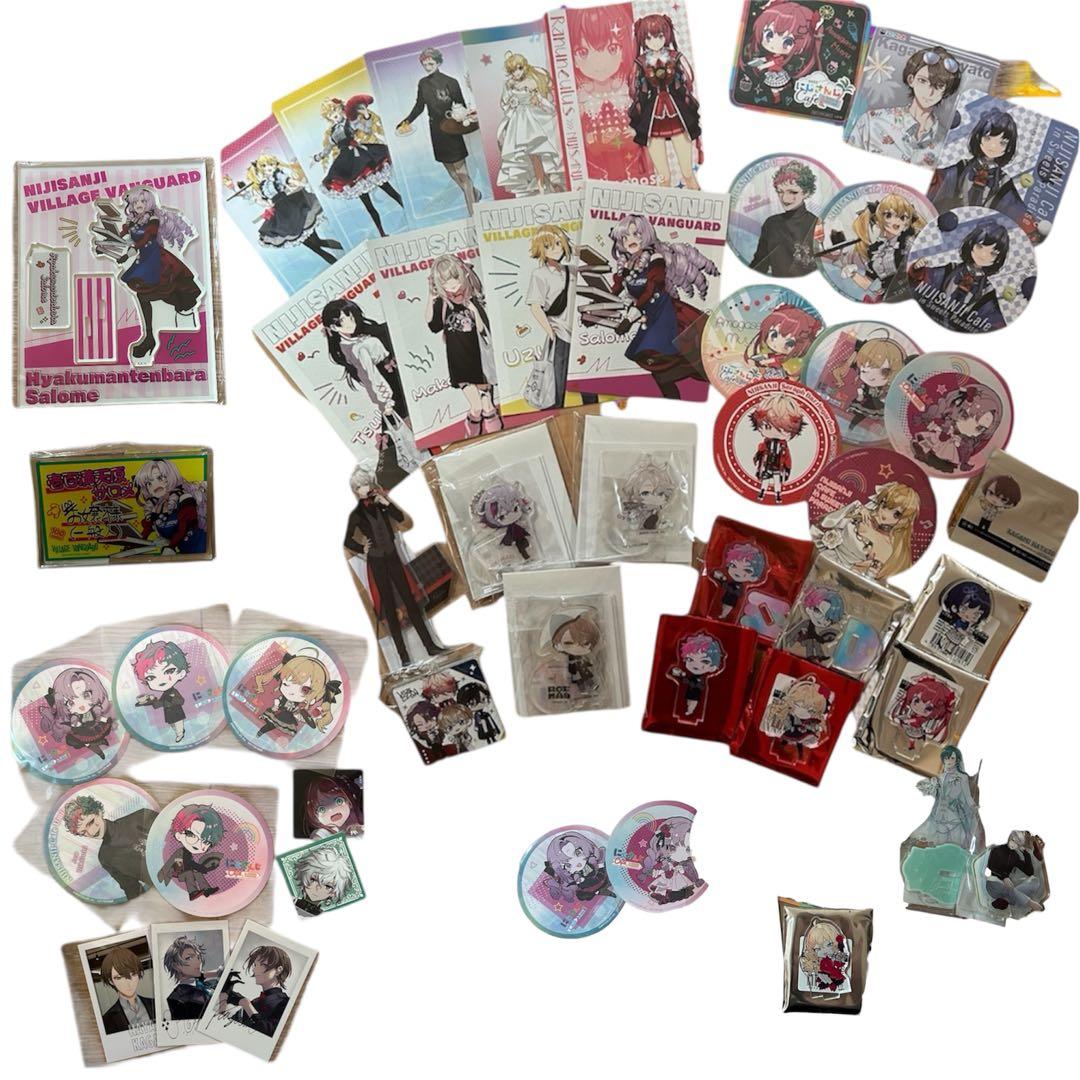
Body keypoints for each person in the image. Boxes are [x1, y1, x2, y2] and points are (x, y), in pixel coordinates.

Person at [344, 469, 441, 667]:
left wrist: (387, 504)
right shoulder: (356, 515)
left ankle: (430, 646)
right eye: (361, 486)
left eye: (367, 483)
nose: (366, 488)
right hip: (376, 562)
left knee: (410, 601)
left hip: (393, 556)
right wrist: (362, 548)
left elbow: (400, 518)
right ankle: (403, 657)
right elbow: (348, 541)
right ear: (356, 490)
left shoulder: (381, 504)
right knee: (389, 608)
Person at [396, 47, 482, 215]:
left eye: (431, 63)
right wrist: (405, 122)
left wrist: (465, 116)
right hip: (436, 131)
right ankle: (475, 194)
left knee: (462, 174)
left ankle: (473, 213)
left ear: (438, 62)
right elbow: (419, 106)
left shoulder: (451, 82)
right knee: (452, 173)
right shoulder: (422, 83)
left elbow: (461, 106)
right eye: (424, 64)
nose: (427, 67)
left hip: (452, 129)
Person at [848, 47, 963, 167]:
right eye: (923, 81)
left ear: (946, 91)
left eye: (939, 86)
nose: (929, 92)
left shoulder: (946, 142)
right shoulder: (873, 121)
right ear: (911, 80)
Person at [61, 794, 156, 901]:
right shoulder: (105, 858)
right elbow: (133, 890)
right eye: (84, 832)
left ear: (98, 812)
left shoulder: (140, 817)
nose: (91, 832)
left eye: (91, 822)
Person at [751, 159, 820, 276]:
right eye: (780, 192)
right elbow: (759, 265)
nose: (784, 199)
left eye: (792, 192)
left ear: (806, 192)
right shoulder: (771, 224)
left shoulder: (816, 224)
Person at [219, 945, 292, 1038]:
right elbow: (224, 1029)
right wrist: (223, 997)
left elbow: (271, 1033)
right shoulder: (254, 1002)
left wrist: (246, 1005)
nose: (254, 969)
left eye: (262, 964)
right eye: (255, 965)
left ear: (278, 970)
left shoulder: (286, 1003)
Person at [132, 639, 190, 743]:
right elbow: (160, 703)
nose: (160, 680)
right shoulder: (165, 693)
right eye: (151, 677)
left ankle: (180, 734)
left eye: (169, 671)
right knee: (172, 724)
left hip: (177, 712)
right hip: (169, 713)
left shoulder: (173, 692)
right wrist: (151, 701)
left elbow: (181, 701)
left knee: (178, 724)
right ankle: (179, 732)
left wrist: (168, 701)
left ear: (181, 673)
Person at [163, 935, 221, 1021]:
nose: (198, 962)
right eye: (189, 958)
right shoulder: (176, 998)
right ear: (176, 966)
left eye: (198, 957)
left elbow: (205, 974)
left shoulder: (195, 979)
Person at [99, 947, 155, 1035]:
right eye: (119, 977)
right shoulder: (106, 1020)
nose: (128, 983)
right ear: (111, 981)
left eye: (133, 974)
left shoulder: (155, 1004)